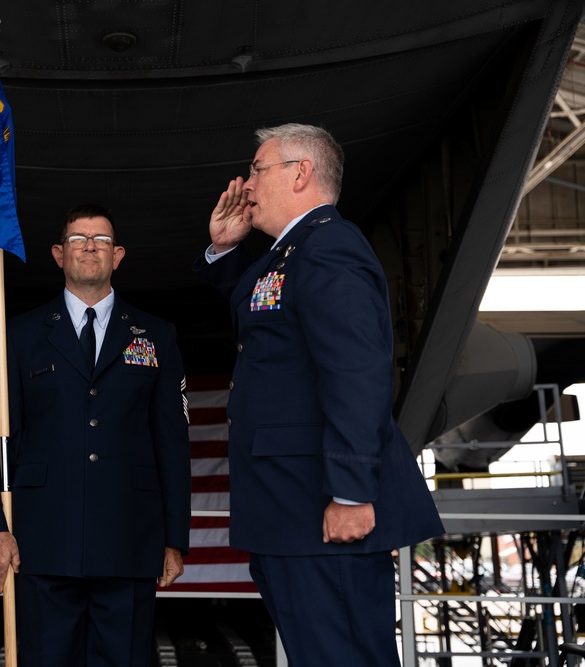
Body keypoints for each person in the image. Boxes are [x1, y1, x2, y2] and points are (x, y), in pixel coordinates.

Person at [194, 124, 444, 666]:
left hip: (323, 508)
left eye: (258, 170)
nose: (247, 184)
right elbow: (263, 312)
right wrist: (223, 251)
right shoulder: (294, 253)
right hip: (291, 510)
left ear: (300, 173)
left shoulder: (328, 246)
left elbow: (357, 373)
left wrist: (352, 492)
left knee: (344, 656)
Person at [0, 203, 192, 667]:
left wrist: (174, 537)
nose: (89, 247)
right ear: (59, 254)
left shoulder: (157, 336)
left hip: (130, 541)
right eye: (78, 239)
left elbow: (171, 442)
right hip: (40, 539)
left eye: (101, 240)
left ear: (118, 257)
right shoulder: (16, 335)